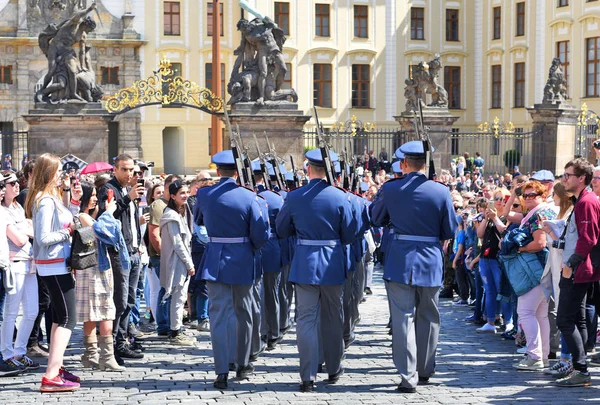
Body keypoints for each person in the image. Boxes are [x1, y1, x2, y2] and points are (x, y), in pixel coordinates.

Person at [370, 141, 456, 393]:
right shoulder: (440, 191)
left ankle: (408, 377)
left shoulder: (392, 188)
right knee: (429, 316)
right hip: (429, 258)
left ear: (404, 163)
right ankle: (425, 369)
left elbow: (375, 218)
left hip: (400, 258)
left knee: (403, 318)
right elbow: (449, 229)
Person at [276, 149, 356, 393]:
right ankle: (333, 368)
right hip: (332, 263)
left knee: (306, 320)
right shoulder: (341, 197)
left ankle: (308, 375)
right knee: (333, 317)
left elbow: (281, 229)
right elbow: (350, 233)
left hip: (305, 264)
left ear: (308, 169)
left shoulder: (295, 197)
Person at [194, 150, 269, 390]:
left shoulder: (204, 194)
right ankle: (243, 362)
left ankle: (221, 369)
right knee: (244, 313)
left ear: (218, 171)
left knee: (219, 316)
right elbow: (260, 234)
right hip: (243, 258)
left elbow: (198, 221)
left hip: (216, 258)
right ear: (237, 172)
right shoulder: (250, 196)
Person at [25, 153, 82, 392]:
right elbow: (44, 237)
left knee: (60, 317)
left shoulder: (49, 197)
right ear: (49, 173)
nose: (62, 174)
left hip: (56, 264)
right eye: (58, 171)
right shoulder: (45, 200)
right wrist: (68, 232)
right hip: (54, 264)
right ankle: (51, 374)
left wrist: (73, 202)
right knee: (69, 318)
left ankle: (55, 367)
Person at [555, 158, 600, 387]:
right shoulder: (582, 200)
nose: (564, 179)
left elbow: (589, 238)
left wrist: (570, 264)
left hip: (578, 269)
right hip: (580, 269)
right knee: (578, 320)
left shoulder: (587, 202)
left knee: (564, 319)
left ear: (581, 178)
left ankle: (581, 369)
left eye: (568, 175)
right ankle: (579, 367)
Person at [97, 154, 145, 363]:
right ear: (115, 170)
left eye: (131, 170)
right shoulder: (109, 189)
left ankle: (123, 341)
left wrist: (139, 243)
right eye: (124, 169)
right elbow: (108, 218)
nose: (129, 174)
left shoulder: (128, 189)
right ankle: (114, 345)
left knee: (131, 300)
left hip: (133, 251)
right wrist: (128, 199)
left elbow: (132, 223)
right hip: (119, 253)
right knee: (120, 300)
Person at [75, 181, 125, 372]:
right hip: (93, 270)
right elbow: (100, 234)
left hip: (96, 268)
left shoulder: (90, 216)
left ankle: (91, 356)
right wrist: (109, 213)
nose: (96, 198)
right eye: (93, 195)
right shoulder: (81, 216)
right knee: (104, 311)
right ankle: (106, 357)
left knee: (93, 313)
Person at [507, 181, 555, 371]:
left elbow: (539, 243)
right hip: (544, 268)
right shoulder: (543, 211)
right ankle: (542, 355)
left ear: (542, 196)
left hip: (534, 269)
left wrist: (520, 248)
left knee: (526, 312)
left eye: (532, 195)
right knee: (540, 314)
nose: (527, 198)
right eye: (525, 195)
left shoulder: (538, 215)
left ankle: (534, 356)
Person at [1, 171, 39, 371]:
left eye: (17, 182)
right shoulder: (2, 210)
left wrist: (22, 228)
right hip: (14, 262)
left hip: (29, 262)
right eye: (11, 183)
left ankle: (19, 351)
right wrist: (24, 229)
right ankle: (6, 353)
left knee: (32, 311)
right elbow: (20, 239)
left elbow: (32, 231)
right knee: (11, 312)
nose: (17, 186)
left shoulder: (17, 207)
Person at [159, 180, 196, 345]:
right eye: (182, 193)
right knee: (178, 296)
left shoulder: (180, 212)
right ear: (173, 196)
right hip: (177, 261)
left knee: (180, 297)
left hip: (181, 260)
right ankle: (175, 332)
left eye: (187, 192)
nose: (186, 195)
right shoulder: (171, 215)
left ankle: (177, 328)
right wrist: (189, 263)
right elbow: (177, 243)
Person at [476, 188, 512, 333]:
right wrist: (486, 218)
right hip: (485, 258)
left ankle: (508, 321)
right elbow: (480, 234)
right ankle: (490, 321)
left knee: (502, 291)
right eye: (496, 198)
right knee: (489, 291)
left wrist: (495, 218)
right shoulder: (490, 217)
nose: (498, 201)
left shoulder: (508, 217)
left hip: (498, 259)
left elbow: (505, 232)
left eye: (501, 198)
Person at [147, 175, 180, 337]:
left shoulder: (172, 205)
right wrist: (164, 254)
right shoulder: (158, 206)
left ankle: (169, 323)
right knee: (164, 290)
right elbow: (154, 234)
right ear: (167, 187)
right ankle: (163, 325)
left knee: (170, 289)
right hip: (161, 255)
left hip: (171, 255)